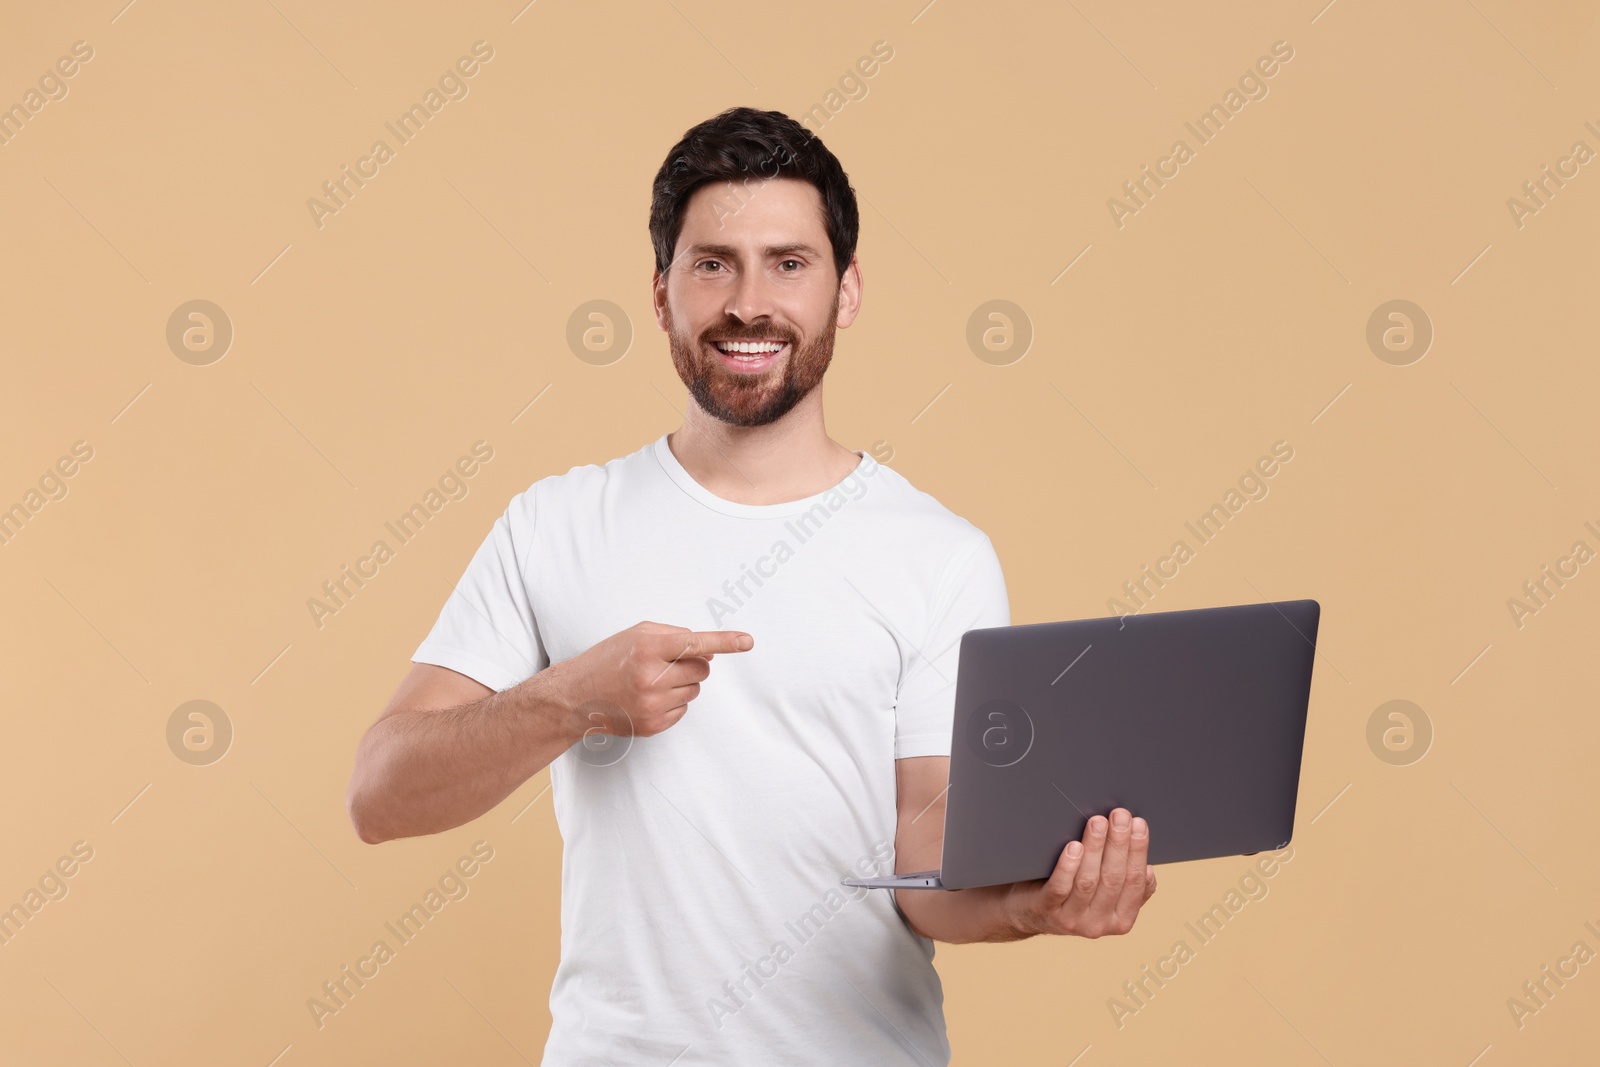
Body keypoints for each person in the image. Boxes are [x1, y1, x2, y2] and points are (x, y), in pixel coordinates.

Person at [346, 105, 1156, 1065]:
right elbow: (380, 794)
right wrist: (572, 701)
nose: (748, 303)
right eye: (713, 263)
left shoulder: (940, 556)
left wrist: (1032, 904)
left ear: (846, 292)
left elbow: (923, 860)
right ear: (661, 294)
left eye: (789, 262)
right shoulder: (554, 523)